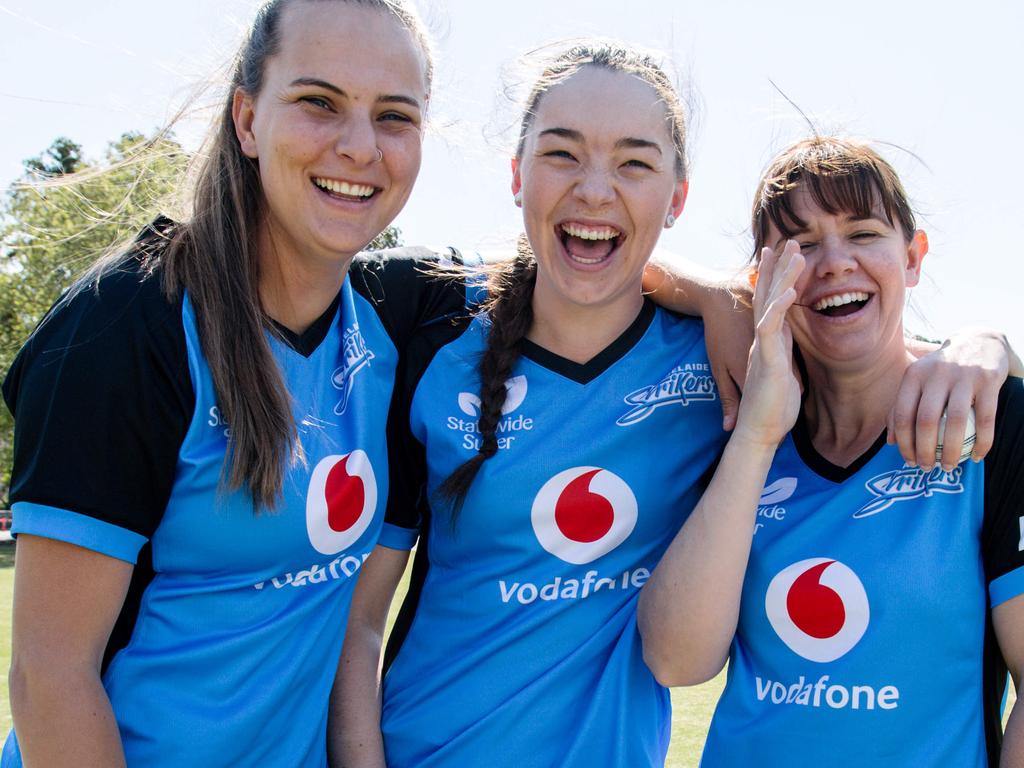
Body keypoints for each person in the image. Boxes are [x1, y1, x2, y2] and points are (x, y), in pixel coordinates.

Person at [330, 44, 1017, 767]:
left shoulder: (727, 367)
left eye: (634, 162)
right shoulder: (430, 326)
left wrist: (988, 344)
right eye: (562, 154)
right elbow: (361, 614)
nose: (595, 190)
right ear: (516, 173)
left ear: (677, 196)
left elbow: (856, 338)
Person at [0, 1, 454, 766]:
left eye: (394, 116)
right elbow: (51, 678)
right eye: (319, 102)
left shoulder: (398, 312)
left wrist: (718, 299)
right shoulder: (127, 324)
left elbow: (578, 267)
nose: (358, 146)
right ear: (247, 119)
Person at [637, 137, 1024, 767]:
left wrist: (989, 341)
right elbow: (676, 660)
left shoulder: (991, 423)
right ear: (762, 281)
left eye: (863, 233)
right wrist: (758, 434)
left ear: (914, 256)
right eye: (804, 244)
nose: (835, 263)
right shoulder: (737, 421)